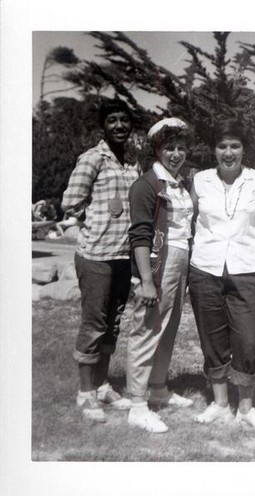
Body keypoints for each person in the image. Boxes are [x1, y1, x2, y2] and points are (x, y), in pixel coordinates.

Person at [188, 118, 255, 432]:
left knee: (247, 341)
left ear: (244, 149)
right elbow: (185, 222)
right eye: (222, 145)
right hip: (205, 269)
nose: (228, 152)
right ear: (214, 149)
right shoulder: (200, 181)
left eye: (234, 146)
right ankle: (220, 404)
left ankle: (247, 407)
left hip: (248, 270)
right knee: (212, 338)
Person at [62, 98, 140, 422]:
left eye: (124, 120)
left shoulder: (132, 161)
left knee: (113, 322)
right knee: (94, 323)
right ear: (103, 126)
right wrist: (85, 234)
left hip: (123, 257)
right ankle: (85, 393)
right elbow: (70, 204)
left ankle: (104, 385)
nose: (119, 126)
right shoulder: (93, 159)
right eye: (113, 121)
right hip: (96, 257)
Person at [126, 117, 195, 433]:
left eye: (181, 147)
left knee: (167, 329)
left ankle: (158, 387)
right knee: (147, 329)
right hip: (157, 265)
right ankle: (138, 405)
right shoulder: (146, 185)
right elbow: (139, 236)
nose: (176, 154)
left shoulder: (180, 183)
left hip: (180, 263)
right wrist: (147, 282)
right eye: (169, 148)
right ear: (157, 149)